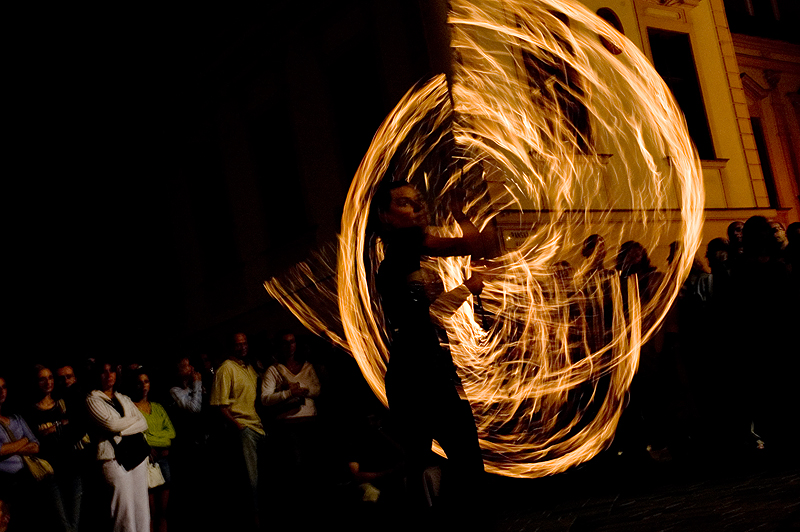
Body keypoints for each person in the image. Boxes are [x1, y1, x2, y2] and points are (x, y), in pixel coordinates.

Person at [372, 181, 489, 519]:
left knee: (435, 463)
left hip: (422, 370)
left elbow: (429, 314)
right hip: (418, 373)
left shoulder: (404, 257)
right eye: (404, 202)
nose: (418, 207)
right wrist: (467, 287)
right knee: (452, 460)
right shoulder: (403, 251)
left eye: (419, 200)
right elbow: (429, 314)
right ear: (385, 215)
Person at [85, 362, 150, 532]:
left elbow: (143, 422)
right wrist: (130, 423)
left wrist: (122, 429)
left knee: (141, 508)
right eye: (104, 371)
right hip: (113, 457)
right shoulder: (92, 399)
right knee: (124, 512)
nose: (109, 375)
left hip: (136, 453)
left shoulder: (123, 398)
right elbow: (111, 425)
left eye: (112, 371)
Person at [209, 333, 265, 529]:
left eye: (244, 343)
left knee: (259, 478)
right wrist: (239, 426)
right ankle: (254, 519)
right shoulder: (226, 368)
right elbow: (220, 406)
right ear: (231, 347)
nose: (242, 347)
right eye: (238, 344)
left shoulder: (249, 368)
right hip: (244, 428)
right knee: (250, 479)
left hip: (257, 427)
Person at [25, 365, 85, 532]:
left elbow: (77, 429)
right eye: (42, 379)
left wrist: (54, 429)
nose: (48, 382)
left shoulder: (63, 405)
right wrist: (58, 428)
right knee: (63, 526)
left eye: (50, 377)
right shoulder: (31, 412)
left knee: (74, 524)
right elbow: (34, 442)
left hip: (72, 468)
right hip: (50, 473)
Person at [132, 370, 175, 532]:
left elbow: (171, 433)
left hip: (163, 460)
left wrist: (151, 438)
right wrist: (153, 443)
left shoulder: (157, 407)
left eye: (146, 381)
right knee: (149, 512)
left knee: (163, 512)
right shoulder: (132, 407)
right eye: (139, 382)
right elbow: (138, 436)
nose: (143, 385)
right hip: (145, 461)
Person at [0, 373, 41, 530]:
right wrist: (23, 441)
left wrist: (12, 448)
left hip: (26, 477)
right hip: (5, 482)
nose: (1, 391)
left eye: (4, 387)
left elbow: (36, 445)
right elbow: (1, 450)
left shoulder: (16, 418)